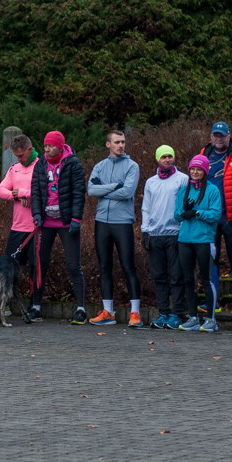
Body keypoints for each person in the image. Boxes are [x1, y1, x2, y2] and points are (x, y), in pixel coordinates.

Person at [29, 130, 88, 324]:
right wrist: (36, 214)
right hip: (45, 222)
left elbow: (78, 192)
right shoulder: (40, 164)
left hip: (66, 221)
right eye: (45, 145)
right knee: (40, 264)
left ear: (60, 146)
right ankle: (35, 307)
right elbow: (36, 190)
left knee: (73, 265)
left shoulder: (73, 164)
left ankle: (81, 309)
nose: (47, 149)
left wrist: (76, 218)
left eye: (51, 146)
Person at [86, 130, 142, 325]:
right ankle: (108, 312)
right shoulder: (100, 166)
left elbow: (127, 192)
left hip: (122, 222)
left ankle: (135, 313)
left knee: (128, 266)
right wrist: (114, 186)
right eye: (117, 142)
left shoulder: (132, 166)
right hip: (102, 221)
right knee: (104, 267)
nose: (121, 145)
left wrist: (103, 189)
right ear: (108, 144)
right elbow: (91, 190)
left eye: (123, 142)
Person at [199, 121, 232, 316]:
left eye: (222, 135)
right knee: (210, 257)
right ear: (211, 136)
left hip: (231, 216)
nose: (218, 139)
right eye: (215, 135)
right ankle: (212, 301)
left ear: (229, 136)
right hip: (210, 216)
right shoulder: (204, 153)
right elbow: (197, 179)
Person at [174, 154, 223, 332]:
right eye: (193, 169)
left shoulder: (212, 190)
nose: (195, 172)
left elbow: (216, 214)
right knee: (188, 279)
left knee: (206, 279)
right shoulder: (183, 190)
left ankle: (211, 319)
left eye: (199, 169)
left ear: (205, 171)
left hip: (204, 240)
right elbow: (176, 215)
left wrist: (197, 213)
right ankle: (193, 317)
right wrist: (184, 212)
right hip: (185, 240)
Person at [141, 145, 187, 330]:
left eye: (170, 156)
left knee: (177, 276)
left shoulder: (183, 179)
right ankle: (163, 313)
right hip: (155, 234)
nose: (167, 159)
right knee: (159, 276)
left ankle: (177, 313)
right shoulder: (151, 182)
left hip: (175, 233)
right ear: (157, 159)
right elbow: (146, 207)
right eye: (163, 157)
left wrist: (182, 229)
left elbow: (186, 205)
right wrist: (145, 230)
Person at [0, 134, 38, 262]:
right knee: (9, 266)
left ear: (30, 149)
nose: (19, 159)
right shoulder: (14, 168)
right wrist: (16, 196)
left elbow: (46, 193)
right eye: (16, 156)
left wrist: (23, 192)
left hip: (37, 227)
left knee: (36, 268)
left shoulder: (41, 166)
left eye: (21, 155)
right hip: (18, 227)